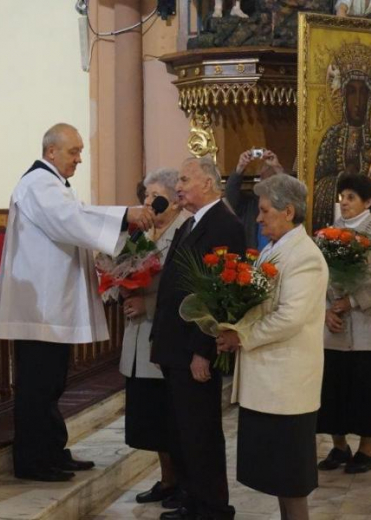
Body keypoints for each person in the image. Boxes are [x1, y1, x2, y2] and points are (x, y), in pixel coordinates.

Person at [0, 123, 155, 483]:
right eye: (73, 151)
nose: (79, 159)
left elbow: (76, 217)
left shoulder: (53, 185)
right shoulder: (37, 184)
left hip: (52, 306)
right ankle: (34, 461)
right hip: (41, 309)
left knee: (52, 384)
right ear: (51, 151)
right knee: (38, 385)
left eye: (80, 151)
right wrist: (125, 216)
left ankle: (52, 450)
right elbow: (70, 220)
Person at [218, 174, 328, 520]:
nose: (259, 217)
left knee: (291, 478)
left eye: (265, 210)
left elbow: (290, 318)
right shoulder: (273, 248)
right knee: (279, 476)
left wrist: (242, 336)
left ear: (289, 211)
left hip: (286, 385)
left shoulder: (305, 257)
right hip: (268, 382)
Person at [151, 156, 244, 520]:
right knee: (182, 432)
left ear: (208, 183)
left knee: (201, 432)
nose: (178, 186)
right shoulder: (191, 223)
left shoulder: (225, 225)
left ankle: (213, 507)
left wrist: (202, 351)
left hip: (194, 349)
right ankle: (193, 500)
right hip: (175, 347)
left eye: (185, 179)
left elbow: (216, 296)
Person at [317, 174, 371, 473]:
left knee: (368, 391)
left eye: (351, 197)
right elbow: (318, 277)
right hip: (336, 328)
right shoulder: (328, 234)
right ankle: (339, 447)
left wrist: (353, 301)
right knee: (333, 390)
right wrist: (327, 309)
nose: (343, 201)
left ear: (368, 201)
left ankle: (366, 451)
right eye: (341, 195)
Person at [119, 168, 188, 505]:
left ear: (175, 199)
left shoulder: (184, 229)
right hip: (138, 336)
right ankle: (167, 479)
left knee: (171, 416)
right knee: (153, 418)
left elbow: (182, 288)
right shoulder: (143, 233)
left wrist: (145, 302)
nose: (148, 202)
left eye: (155, 196)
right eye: (145, 196)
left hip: (163, 336)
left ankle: (183, 482)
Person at [313, 42, 371, 230]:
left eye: (364, 93)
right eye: (351, 93)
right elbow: (317, 184)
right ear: (342, 97)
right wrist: (341, 179)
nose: (358, 102)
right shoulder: (332, 136)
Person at [225, 148, 286, 249]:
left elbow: (291, 193)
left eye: (272, 178)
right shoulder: (250, 204)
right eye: (263, 178)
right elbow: (230, 192)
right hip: (253, 259)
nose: (267, 183)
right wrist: (240, 167)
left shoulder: (285, 204)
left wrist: (277, 168)